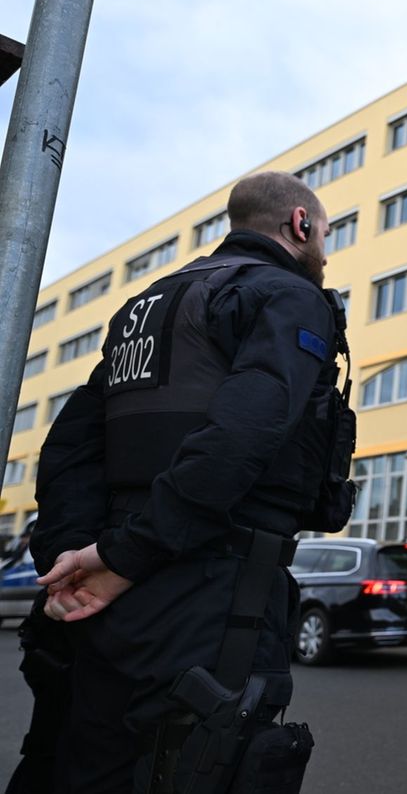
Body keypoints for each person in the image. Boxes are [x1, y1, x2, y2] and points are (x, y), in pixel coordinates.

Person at [33, 171, 347, 790]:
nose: (325, 250)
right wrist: (125, 557)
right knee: (205, 764)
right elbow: (242, 435)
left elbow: (70, 446)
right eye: (326, 234)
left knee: (90, 766)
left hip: (112, 596)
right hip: (215, 590)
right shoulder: (285, 295)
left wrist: (74, 559)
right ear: (301, 225)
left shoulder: (145, 307)